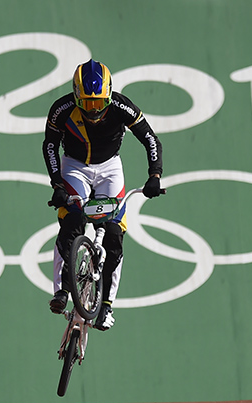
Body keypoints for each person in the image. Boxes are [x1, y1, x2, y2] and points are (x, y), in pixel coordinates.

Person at [43, 58, 164, 330]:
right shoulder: (61, 110)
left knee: (113, 234)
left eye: (99, 103)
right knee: (72, 220)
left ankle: (107, 306)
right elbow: (50, 146)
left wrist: (154, 175)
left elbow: (150, 140)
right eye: (87, 104)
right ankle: (61, 291)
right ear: (76, 97)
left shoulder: (122, 107)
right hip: (74, 166)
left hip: (110, 168)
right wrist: (57, 185)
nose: (94, 111)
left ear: (109, 97)